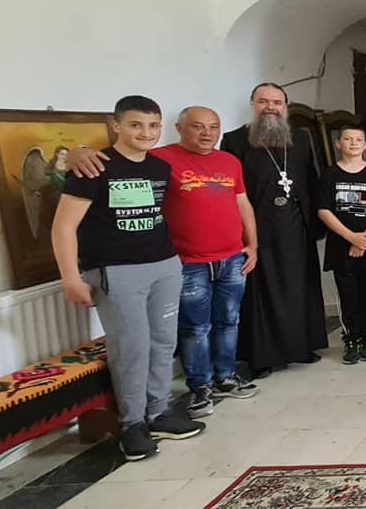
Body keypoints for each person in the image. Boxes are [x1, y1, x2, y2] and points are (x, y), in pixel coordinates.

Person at [65, 106, 263, 416]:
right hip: (186, 262)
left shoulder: (229, 161)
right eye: (197, 126)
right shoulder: (161, 159)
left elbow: (243, 203)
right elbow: (119, 158)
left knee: (229, 321)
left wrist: (252, 244)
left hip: (231, 258)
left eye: (213, 126)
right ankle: (200, 387)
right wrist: (76, 153)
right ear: (179, 128)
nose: (207, 133)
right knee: (194, 328)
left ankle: (225, 376)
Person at [51, 95, 204, 461]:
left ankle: (159, 412)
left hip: (164, 265)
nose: (146, 133)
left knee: (163, 342)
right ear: (116, 125)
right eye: (136, 125)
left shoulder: (160, 167)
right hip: (116, 270)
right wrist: (70, 278)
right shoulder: (92, 167)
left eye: (153, 126)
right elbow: (63, 227)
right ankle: (132, 424)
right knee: (131, 347)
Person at [220, 83, 328, 377]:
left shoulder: (301, 138)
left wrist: (316, 224)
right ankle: (262, 357)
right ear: (253, 104)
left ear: (285, 107)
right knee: (261, 292)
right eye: (263, 101)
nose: (270, 107)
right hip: (258, 227)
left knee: (299, 287)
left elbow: (312, 179)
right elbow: (230, 191)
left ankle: (301, 347)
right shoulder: (234, 140)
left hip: (296, 225)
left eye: (277, 102)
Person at [318, 125, 366, 365]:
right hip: (341, 247)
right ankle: (351, 339)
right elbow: (323, 210)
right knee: (347, 295)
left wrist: (365, 238)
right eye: (348, 139)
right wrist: (351, 237)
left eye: (358, 139)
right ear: (339, 143)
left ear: (365, 145)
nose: (353, 143)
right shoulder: (329, 174)